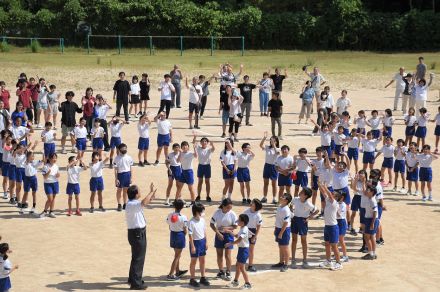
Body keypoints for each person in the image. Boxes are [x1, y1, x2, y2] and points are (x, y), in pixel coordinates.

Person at [125, 183, 157, 290]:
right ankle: (136, 283)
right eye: (139, 191)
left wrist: (151, 198)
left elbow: (143, 203)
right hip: (137, 234)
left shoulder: (132, 204)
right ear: (136, 194)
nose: (140, 192)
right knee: (139, 258)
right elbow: (143, 202)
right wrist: (151, 192)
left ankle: (133, 279)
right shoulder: (132, 204)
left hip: (135, 233)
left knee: (135, 257)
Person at [210, 198, 237, 281]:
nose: (230, 209)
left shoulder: (232, 214)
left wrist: (225, 228)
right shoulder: (217, 213)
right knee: (219, 254)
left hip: (229, 236)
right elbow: (211, 224)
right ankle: (221, 271)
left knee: (227, 255)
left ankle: (228, 272)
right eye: (228, 207)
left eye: (231, 207)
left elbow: (235, 226)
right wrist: (218, 233)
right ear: (223, 206)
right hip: (219, 236)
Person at [290, 187, 318, 269]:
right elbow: (291, 205)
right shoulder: (295, 199)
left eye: (302, 192)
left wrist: (309, 218)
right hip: (295, 220)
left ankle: (305, 260)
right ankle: (293, 259)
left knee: (303, 241)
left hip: (303, 222)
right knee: (294, 240)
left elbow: (316, 210)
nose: (300, 192)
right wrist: (291, 212)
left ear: (305, 196)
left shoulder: (308, 204)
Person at [318, 183, 343, 271]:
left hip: (333, 227)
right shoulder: (328, 200)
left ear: (336, 197)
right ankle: (328, 261)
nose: (331, 194)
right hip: (327, 226)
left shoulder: (334, 203)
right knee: (327, 244)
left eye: (333, 194)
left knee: (334, 246)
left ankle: (338, 263)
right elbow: (323, 192)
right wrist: (319, 183)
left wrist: (325, 186)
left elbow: (328, 193)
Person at [225, 214, 253, 290]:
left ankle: (247, 283)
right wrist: (230, 232)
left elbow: (239, 240)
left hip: (244, 250)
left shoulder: (244, 229)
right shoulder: (242, 228)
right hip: (241, 250)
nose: (237, 221)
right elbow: (237, 236)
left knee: (242, 268)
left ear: (243, 222)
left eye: (239, 220)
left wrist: (230, 243)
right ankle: (235, 281)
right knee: (238, 266)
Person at [188, 202, 210, 287]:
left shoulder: (202, 220)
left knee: (202, 260)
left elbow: (204, 231)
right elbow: (190, 235)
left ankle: (202, 277)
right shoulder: (191, 222)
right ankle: (192, 279)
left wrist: (206, 242)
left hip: (202, 242)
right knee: (194, 261)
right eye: (201, 211)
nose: (203, 212)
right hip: (195, 243)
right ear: (197, 211)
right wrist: (192, 246)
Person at [165, 199, 188, 281]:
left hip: (173, 234)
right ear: (182, 207)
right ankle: (171, 274)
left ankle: (177, 271)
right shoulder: (183, 217)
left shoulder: (170, 215)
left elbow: (168, 223)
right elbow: (185, 229)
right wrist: (184, 235)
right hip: (180, 235)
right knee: (177, 256)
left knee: (177, 255)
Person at [271, 193, 292, 272]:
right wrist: (276, 229)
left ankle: (286, 264)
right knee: (280, 246)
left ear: (286, 201)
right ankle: (281, 262)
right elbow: (278, 220)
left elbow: (285, 223)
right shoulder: (280, 207)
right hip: (279, 229)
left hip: (284, 230)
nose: (280, 197)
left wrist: (280, 233)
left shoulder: (286, 210)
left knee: (285, 247)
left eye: (283, 197)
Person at [193, 134, 215, 202]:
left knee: (207, 182)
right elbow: (194, 143)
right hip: (201, 166)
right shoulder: (199, 148)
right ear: (201, 142)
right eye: (203, 141)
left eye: (205, 141)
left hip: (207, 167)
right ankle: (198, 195)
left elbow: (213, 149)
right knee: (200, 182)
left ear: (207, 143)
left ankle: (208, 196)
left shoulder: (209, 149)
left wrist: (212, 144)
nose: (204, 142)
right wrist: (195, 137)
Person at [243, 199, 262, 272]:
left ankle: (250, 265)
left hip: (253, 232)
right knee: (244, 248)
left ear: (255, 206)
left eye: (253, 203)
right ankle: (241, 261)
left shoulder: (258, 215)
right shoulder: (246, 212)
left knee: (251, 249)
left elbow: (258, 227)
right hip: (245, 231)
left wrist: (255, 236)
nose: (251, 203)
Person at [175, 141, 197, 206]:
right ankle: (176, 200)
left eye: (186, 145)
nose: (184, 147)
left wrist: (195, 148)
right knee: (179, 187)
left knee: (191, 188)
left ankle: (193, 202)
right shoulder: (181, 153)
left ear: (188, 147)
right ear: (181, 147)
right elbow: (177, 161)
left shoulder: (190, 153)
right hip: (183, 172)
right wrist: (180, 153)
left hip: (189, 172)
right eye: (183, 146)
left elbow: (196, 156)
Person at [260, 132, 280, 203]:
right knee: (265, 183)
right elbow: (261, 145)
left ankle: (274, 198)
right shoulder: (267, 148)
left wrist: (274, 145)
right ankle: (265, 197)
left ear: (276, 141)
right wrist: (264, 138)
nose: (272, 142)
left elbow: (277, 153)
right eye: (271, 140)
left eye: (274, 141)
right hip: (267, 166)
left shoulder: (278, 149)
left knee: (274, 184)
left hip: (274, 167)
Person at [113, 143, 133, 211]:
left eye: (125, 148)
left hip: (127, 174)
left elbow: (130, 168)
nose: (124, 149)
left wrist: (131, 177)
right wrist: (116, 179)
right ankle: (119, 204)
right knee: (119, 190)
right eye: (122, 148)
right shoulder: (117, 158)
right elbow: (115, 170)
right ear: (119, 149)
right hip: (120, 175)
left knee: (126, 190)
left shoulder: (129, 157)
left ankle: (125, 204)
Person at [362, 185, 379, 260]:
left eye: (368, 190)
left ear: (372, 192)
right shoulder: (369, 198)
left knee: (367, 237)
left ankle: (370, 253)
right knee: (372, 237)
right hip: (370, 219)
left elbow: (375, 212)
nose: (366, 191)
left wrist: (372, 223)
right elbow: (364, 192)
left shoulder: (372, 200)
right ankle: (373, 253)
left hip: (371, 220)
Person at [40, 153, 60, 218]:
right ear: (50, 158)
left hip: (55, 183)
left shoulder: (56, 166)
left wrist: (58, 175)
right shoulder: (45, 166)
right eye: (53, 158)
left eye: (55, 158)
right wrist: (48, 172)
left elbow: (57, 175)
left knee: (53, 198)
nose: (54, 159)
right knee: (50, 199)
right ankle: (45, 211)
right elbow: (45, 177)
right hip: (48, 184)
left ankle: (51, 211)